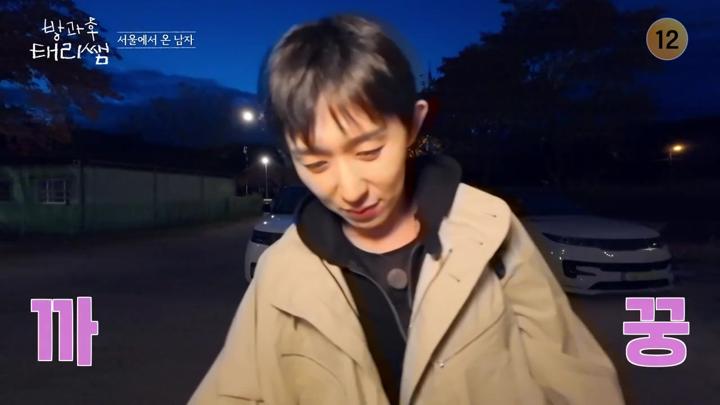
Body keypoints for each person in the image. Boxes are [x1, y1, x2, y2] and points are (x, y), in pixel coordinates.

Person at [189, 14, 624, 405]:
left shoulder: (490, 229)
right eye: (317, 164)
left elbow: (578, 380)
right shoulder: (280, 272)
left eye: (370, 151)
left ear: (413, 124)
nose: (350, 190)